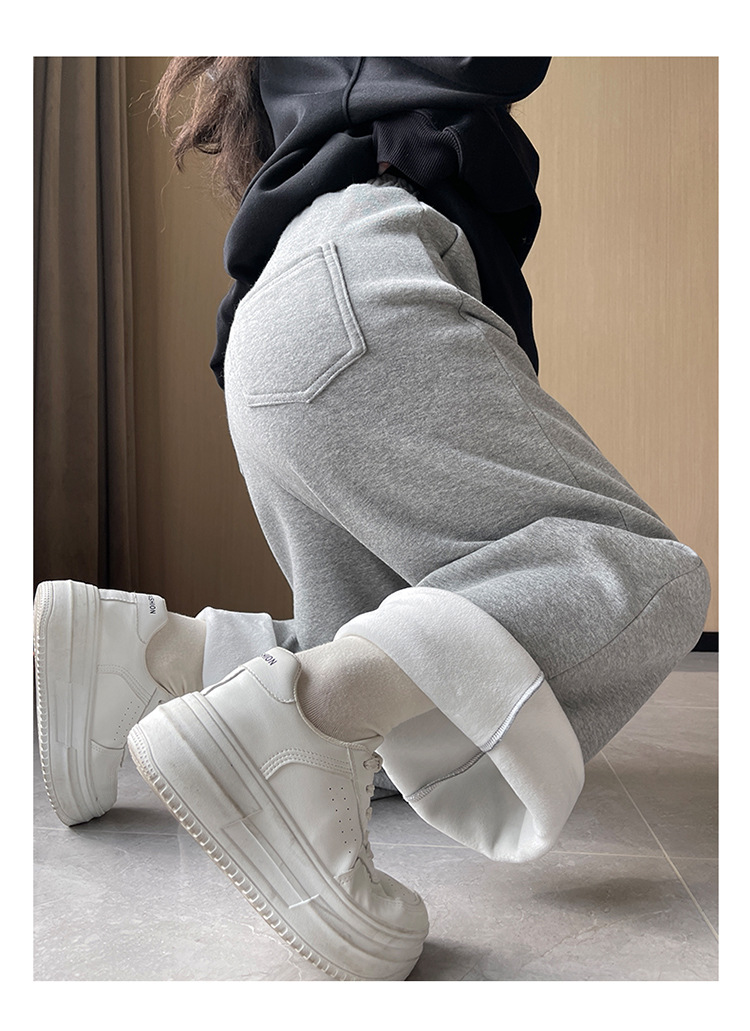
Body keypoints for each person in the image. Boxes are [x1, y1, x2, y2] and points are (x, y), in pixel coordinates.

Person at [33, 57, 710, 981]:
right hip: (365, 281)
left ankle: (151, 657)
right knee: (638, 576)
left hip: (279, 320)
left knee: (387, 697)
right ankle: (303, 718)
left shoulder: (304, 70)